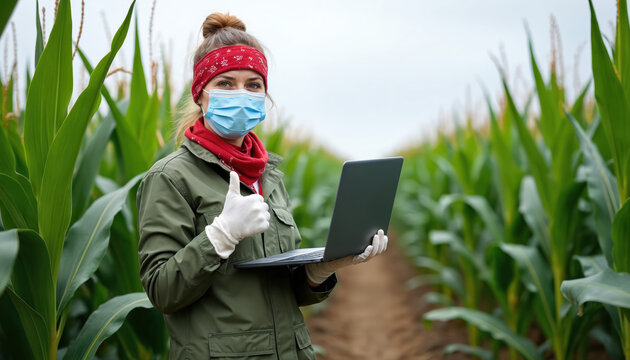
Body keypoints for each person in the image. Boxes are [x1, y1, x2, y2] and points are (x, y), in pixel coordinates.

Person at [136, 12, 389, 360]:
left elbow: (282, 292)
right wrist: (220, 235)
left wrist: (321, 268)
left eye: (253, 85)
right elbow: (161, 291)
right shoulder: (171, 177)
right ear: (200, 94)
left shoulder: (268, 175)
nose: (242, 93)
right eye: (226, 83)